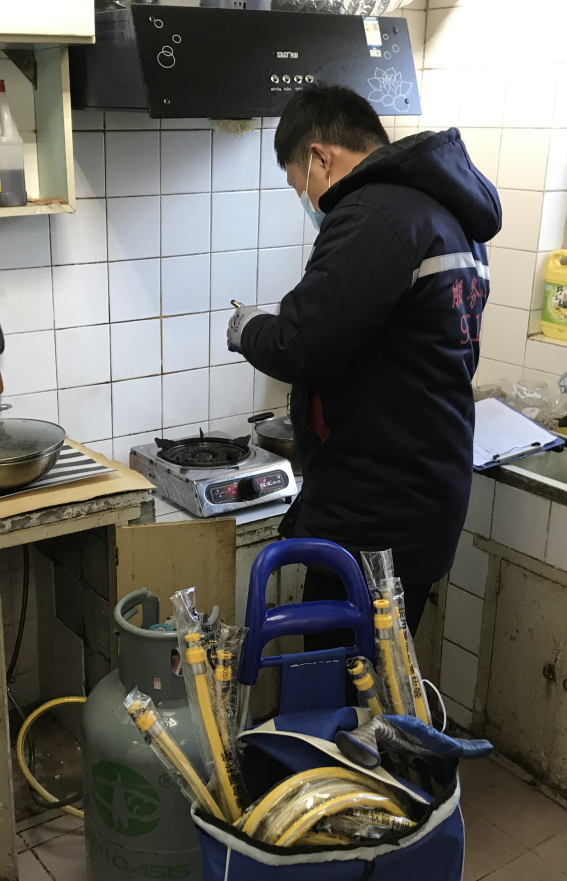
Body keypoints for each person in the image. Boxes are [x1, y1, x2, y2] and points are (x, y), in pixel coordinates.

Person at [227, 85, 501, 635]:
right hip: (422, 491)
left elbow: (297, 345)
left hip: (376, 511)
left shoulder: (374, 214)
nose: (309, 201)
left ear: (320, 158)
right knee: (384, 666)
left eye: (300, 184)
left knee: (340, 670)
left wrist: (247, 327)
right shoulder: (448, 214)